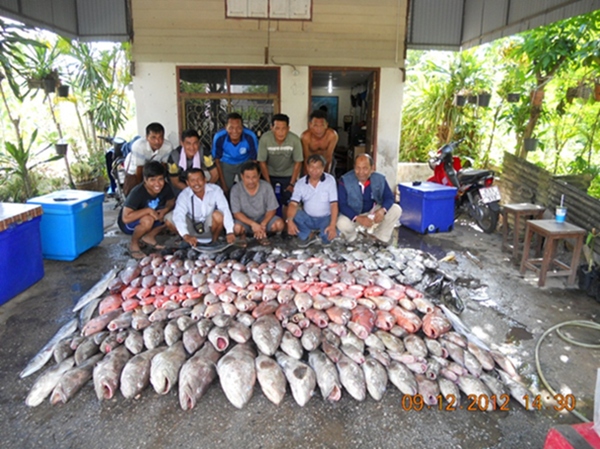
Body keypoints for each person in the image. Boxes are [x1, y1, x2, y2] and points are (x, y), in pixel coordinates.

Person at [337, 154, 402, 244]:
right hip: (354, 213)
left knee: (396, 209)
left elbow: (389, 197)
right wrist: (358, 218)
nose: (361, 172)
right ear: (354, 167)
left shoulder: (379, 179)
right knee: (341, 223)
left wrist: (382, 210)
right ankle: (353, 238)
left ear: (372, 168)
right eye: (357, 168)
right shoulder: (345, 180)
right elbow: (342, 205)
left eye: (365, 168)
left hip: (372, 212)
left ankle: (380, 237)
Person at [118, 161, 176, 259]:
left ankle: (149, 236)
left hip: (152, 218)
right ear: (145, 180)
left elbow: (171, 201)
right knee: (147, 219)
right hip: (129, 225)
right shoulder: (137, 193)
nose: (157, 184)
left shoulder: (165, 187)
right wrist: (147, 210)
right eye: (152, 180)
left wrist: (165, 210)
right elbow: (126, 218)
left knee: (172, 216)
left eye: (160, 179)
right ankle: (134, 244)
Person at [171, 168, 235, 247]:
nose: (196, 183)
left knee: (218, 215)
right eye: (192, 180)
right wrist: (185, 235)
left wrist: (230, 231)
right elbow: (179, 214)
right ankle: (188, 241)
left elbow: (224, 209)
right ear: (187, 183)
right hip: (192, 225)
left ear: (205, 180)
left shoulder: (215, 190)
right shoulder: (184, 195)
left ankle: (213, 242)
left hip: (209, 225)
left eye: (199, 179)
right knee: (170, 219)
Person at [286, 154, 338, 247]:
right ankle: (309, 234)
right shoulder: (300, 183)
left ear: (323, 168)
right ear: (307, 167)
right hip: (308, 218)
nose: (314, 171)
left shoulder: (330, 180)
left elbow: (334, 204)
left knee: (328, 239)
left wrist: (332, 225)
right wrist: (289, 220)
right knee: (294, 214)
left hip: (325, 218)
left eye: (318, 167)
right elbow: (293, 203)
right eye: (312, 167)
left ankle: (320, 234)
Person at [257, 113, 303, 212]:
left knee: (289, 201)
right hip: (269, 174)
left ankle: (286, 225)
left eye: (284, 128)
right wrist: (268, 183)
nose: (281, 132)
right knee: (267, 200)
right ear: (271, 128)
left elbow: (298, 162)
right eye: (277, 128)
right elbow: (262, 162)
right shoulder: (265, 139)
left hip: (288, 174)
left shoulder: (295, 140)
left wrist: (292, 183)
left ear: (288, 128)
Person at [230, 161, 284, 241]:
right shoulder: (236, 189)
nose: (251, 181)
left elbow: (272, 209)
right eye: (247, 177)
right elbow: (236, 213)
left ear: (259, 176)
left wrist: (263, 224)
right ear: (242, 176)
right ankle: (243, 238)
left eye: (254, 177)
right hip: (245, 221)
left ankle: (265, 236)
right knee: (237, 228)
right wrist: (253, 224)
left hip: (263, 218)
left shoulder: (266, 187)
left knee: (279, 224)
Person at [212, 112, 258, 195]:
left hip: (245, 162)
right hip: (226, 163)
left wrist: (254, 178)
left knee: (247, 189)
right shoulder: (219, 137)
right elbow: (217, 160)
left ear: (243, 127)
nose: (235, 131)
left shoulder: (250, 136)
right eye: (231, 128)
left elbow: (255, 160)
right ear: (226, 127)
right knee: (224, 190)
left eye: (238, 128)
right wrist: (223, 184)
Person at [123, 122, 173, 196]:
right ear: (146, 137)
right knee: (134, 194)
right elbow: (139, 169)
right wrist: (141, 190)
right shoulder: (138, 146)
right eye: (153, 137)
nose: (157, 141)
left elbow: (164, 166)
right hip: (135, 171)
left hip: (153, 171)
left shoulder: (168, 146)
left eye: (160, 137)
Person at [167, 129, 219, 197]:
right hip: (181, 183)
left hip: (198, 182)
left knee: (215, 189)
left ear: (199, 143)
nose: (192, 147)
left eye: (195, 143)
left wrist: (204, 188)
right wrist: (193, 190)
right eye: (188, 143)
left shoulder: (204, 153)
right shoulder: (174, 156)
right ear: (182, 143)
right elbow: (175, 182)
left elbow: (215, 174)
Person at [301, 110, 339, 174]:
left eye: (322, 125)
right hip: (311, 163)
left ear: (326, 125)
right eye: (315, 125)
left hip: (326, 161)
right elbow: (306, 158)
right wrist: (307, 176)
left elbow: (329, 156)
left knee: (330, 180)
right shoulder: (305, 137)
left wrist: (326, 175)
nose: (319, 129)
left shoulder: (332, 135)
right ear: (310, 125)